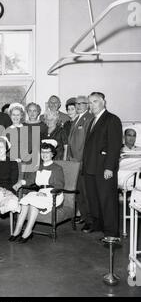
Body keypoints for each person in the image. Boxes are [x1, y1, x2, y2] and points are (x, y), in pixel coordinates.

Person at [82, 92, 122, 239]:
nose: (92, 105)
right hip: (91, 168)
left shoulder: (112, 119)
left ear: (103, 102)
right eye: (90, 103)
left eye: (95, 101)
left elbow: (114, 146)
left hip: (104, 168)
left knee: (107, 201)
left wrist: (109, 168)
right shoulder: (93, 120)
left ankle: (111, 234)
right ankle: (99, 225)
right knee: (94, 200)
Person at [10, 140, 64, 243]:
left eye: (47, 152)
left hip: (53, 194)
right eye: (43, 152)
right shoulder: (38, 167)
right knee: (25, 201)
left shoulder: (57, 168)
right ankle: (17, 230)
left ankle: (27, 231)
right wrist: (20, 183)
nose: (44, 155)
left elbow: (60, 186)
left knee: (33, 203)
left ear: (52, 154)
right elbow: (30, 180)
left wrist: (46, 193)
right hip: (40, 193)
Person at [67, 95, 94, 226]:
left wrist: (83, 161)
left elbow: (88, 143)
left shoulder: (89, 118)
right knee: (79, 193)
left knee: (86, 193)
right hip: (74, 163)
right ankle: (84, 216)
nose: (78, 106)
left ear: (87, 105)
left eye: (81, 103)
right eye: (76, 104)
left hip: (82, 163)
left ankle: (90, 221)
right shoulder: (77, 118)